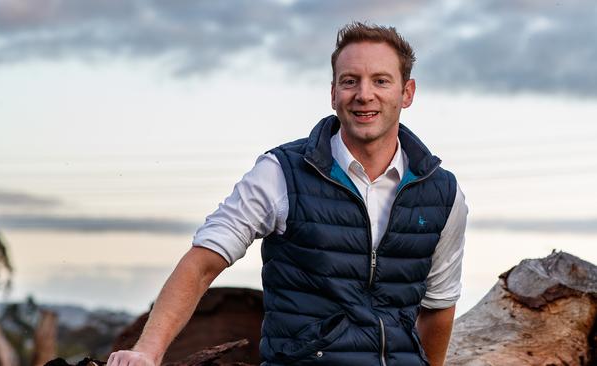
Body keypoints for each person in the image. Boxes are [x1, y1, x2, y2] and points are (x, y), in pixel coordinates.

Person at [107, 22, 467, 366]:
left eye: (381, 81)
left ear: (407, 93)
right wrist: (147, 352)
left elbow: (438, 307)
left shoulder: (442, 193)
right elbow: (202, 263)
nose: (363, 95)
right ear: (332, 93)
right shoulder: (280, 173)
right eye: (350, 81)